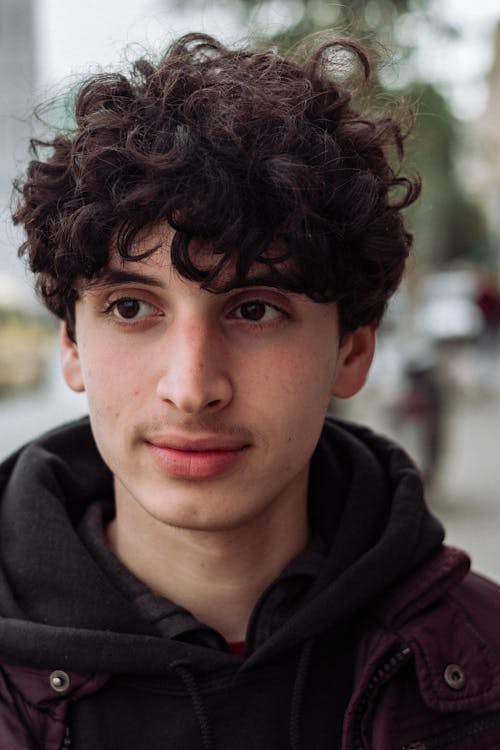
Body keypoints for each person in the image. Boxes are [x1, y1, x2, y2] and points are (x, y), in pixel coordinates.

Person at [2, 32, 500, 749]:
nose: (191, 388)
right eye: (133, 308)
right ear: (72, 346)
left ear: (353, 349)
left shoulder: (479, 662)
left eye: (256, 308)